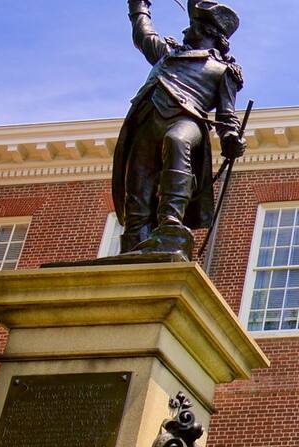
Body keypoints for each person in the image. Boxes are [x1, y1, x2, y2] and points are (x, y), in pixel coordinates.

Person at [112, 0, 246, 259]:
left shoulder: (223, 70)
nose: (185, 30)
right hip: (147, 121)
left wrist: (231, 137)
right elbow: (143, 34)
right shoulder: (167, 54)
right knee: (138, 183)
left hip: (188, 120)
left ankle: (171, 223)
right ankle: (134, 241)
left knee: (177, 141)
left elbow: (227, 115)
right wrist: (139, 5)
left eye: (192, 25)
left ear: (207, 30)